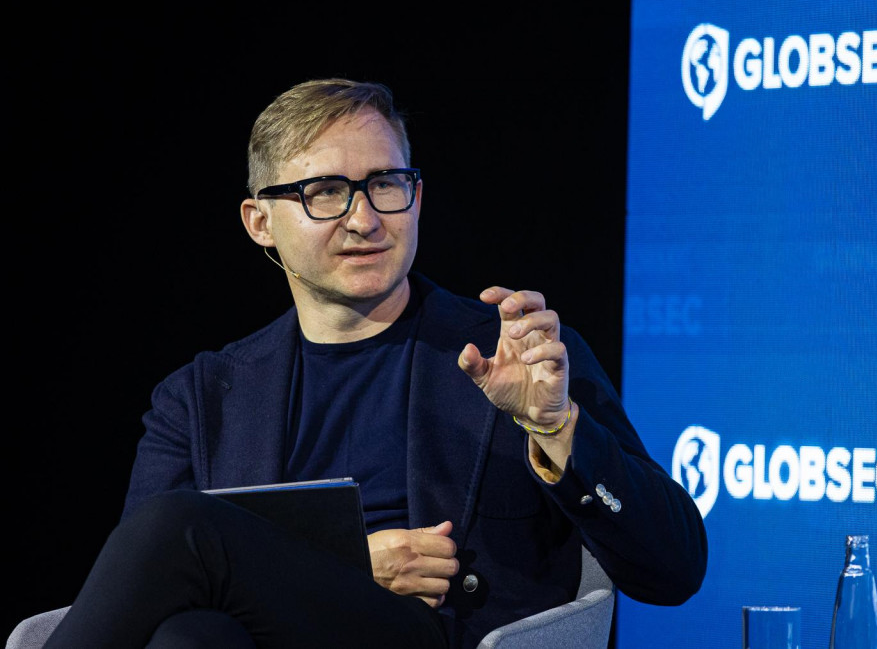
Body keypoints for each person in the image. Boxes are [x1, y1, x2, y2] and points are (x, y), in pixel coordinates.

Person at [42, 78, 707, 648]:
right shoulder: (201, 398)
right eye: (325, 191)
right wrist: (353, 564)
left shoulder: (515, 354)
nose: (364, 220)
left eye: (385, 184)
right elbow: (142, 585)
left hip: (445, 637)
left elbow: (675, 570)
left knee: (177, 526)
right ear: (259, 221)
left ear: (416, 197)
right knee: (189, 636)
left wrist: (555, 428)